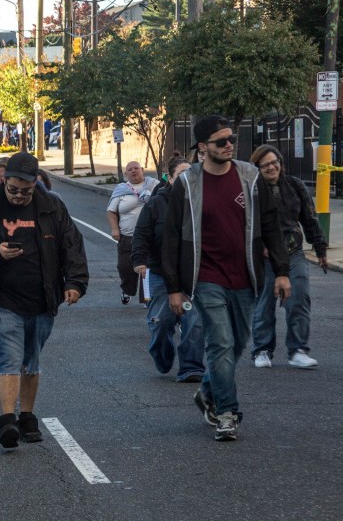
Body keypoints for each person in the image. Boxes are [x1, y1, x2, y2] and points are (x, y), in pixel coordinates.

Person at [162, 115, 291, 442]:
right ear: (203, 147)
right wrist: (173, 288)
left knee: (236, 344)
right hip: (206, 277)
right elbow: (171, 239)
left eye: (231, 139)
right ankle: (227, 412)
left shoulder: (250, 176)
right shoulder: (187, 184)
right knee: (219, 343)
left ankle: (207, 391)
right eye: (221, 141)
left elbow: (271, 225)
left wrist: (282, 271)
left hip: (246, 277)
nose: (229, 145)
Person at [0, 151, 89, 449]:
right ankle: (7, 422)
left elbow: (72, 246)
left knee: (32, 360)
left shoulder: (52, 207)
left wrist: (76, 283)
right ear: (4, 181)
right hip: (3, 299)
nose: (17, 196)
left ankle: (27, 416)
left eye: (25, 191)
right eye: (12, 189)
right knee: (9, 359)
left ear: (36, 183)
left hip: (43, 298)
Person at [249, 144, 329, 370]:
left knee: (299, 299)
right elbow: (246, 224)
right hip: (264, 257)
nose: (271, 167)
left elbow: (310, 218)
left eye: (275, 162)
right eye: (265, 165)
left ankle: (298, 350)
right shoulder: (252, 190)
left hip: (293, 253)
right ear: (257, 168)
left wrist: (320, 248)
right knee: (264, 304)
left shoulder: (295, 185)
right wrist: (259, 246)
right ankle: (262, 349)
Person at [131, 156, 205, 382]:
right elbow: (141, 234)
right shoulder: (156, 204)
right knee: (162, 322)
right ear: (170, 178)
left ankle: (191, 367)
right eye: (181, 175)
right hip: (161, 274)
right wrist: (139, 260)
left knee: (193, 321)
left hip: (192, 275)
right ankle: (162, 355)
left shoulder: (201, 203)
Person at [107, 161, 160, 304]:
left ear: (143, 170)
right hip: (127, 236)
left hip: (150, 237)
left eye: (136, 168)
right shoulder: (121, 189)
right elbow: (112, 211)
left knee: (147, 269)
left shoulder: (154, 184)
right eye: (130, 170)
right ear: (126, 174)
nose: (133, 171)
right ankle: (127, 290)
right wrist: (114, 229)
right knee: (125, 267)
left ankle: (147, 299)